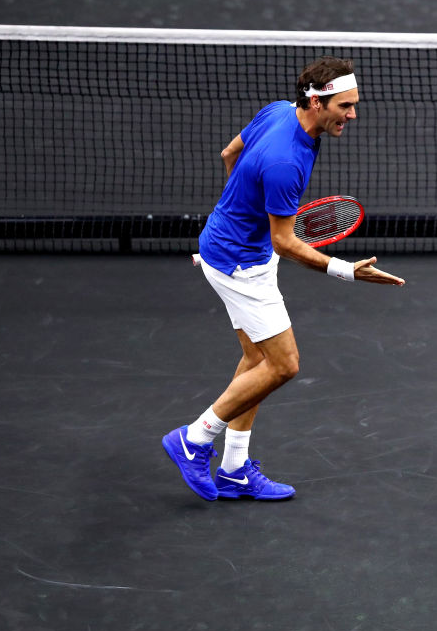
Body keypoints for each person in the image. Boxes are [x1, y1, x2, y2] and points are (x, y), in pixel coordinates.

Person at [162, 56, 405, 502]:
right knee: (284, 365)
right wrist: (347, 271)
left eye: (354, 104)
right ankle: (194, 439)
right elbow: (285, 243)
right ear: (316, 102)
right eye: (345, 106)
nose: (352, 115)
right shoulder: (286, 162)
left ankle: (234, 470)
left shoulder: (277, 109)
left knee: (256, 361)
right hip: (241, 265)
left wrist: (240, 211)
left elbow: (229, 154)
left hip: (228, 242)